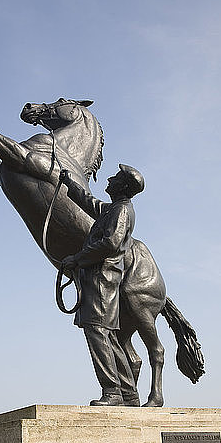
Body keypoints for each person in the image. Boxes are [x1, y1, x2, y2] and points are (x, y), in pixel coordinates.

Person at [59, 164, 145, 406]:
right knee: (109, 336)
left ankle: (113, 392)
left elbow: (111, 243)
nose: (109, 178)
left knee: (97, 333)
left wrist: (77, 259)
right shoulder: (115, 209)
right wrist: (69, 184)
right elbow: (90, 203)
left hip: (101, 278)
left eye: (116, 177)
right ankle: (129, 393)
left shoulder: (122, 211)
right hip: (99, 278)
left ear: (123, 186)